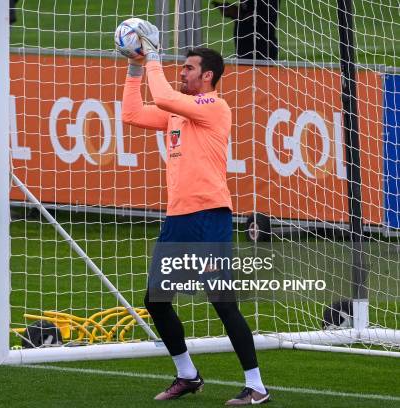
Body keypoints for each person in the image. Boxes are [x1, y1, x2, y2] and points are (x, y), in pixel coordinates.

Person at [121, 21, 270, 405]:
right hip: (179, 219)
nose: (181, 72)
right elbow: (132, 114)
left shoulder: (214, 107)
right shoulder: (178, 112)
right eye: (181, 67)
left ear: (207, 76)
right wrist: (135, 67)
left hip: (209, 217)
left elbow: (167, 98)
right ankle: (188, 375)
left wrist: (153, 55)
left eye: (188, 68)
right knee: (156, 300)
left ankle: (256, 386)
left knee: (222, 301)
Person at [213, 0, 279, 60]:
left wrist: (237, 13)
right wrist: (234, 12)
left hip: (260, 46)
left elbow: (263, 17)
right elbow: (247, 11)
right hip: (244, 42)